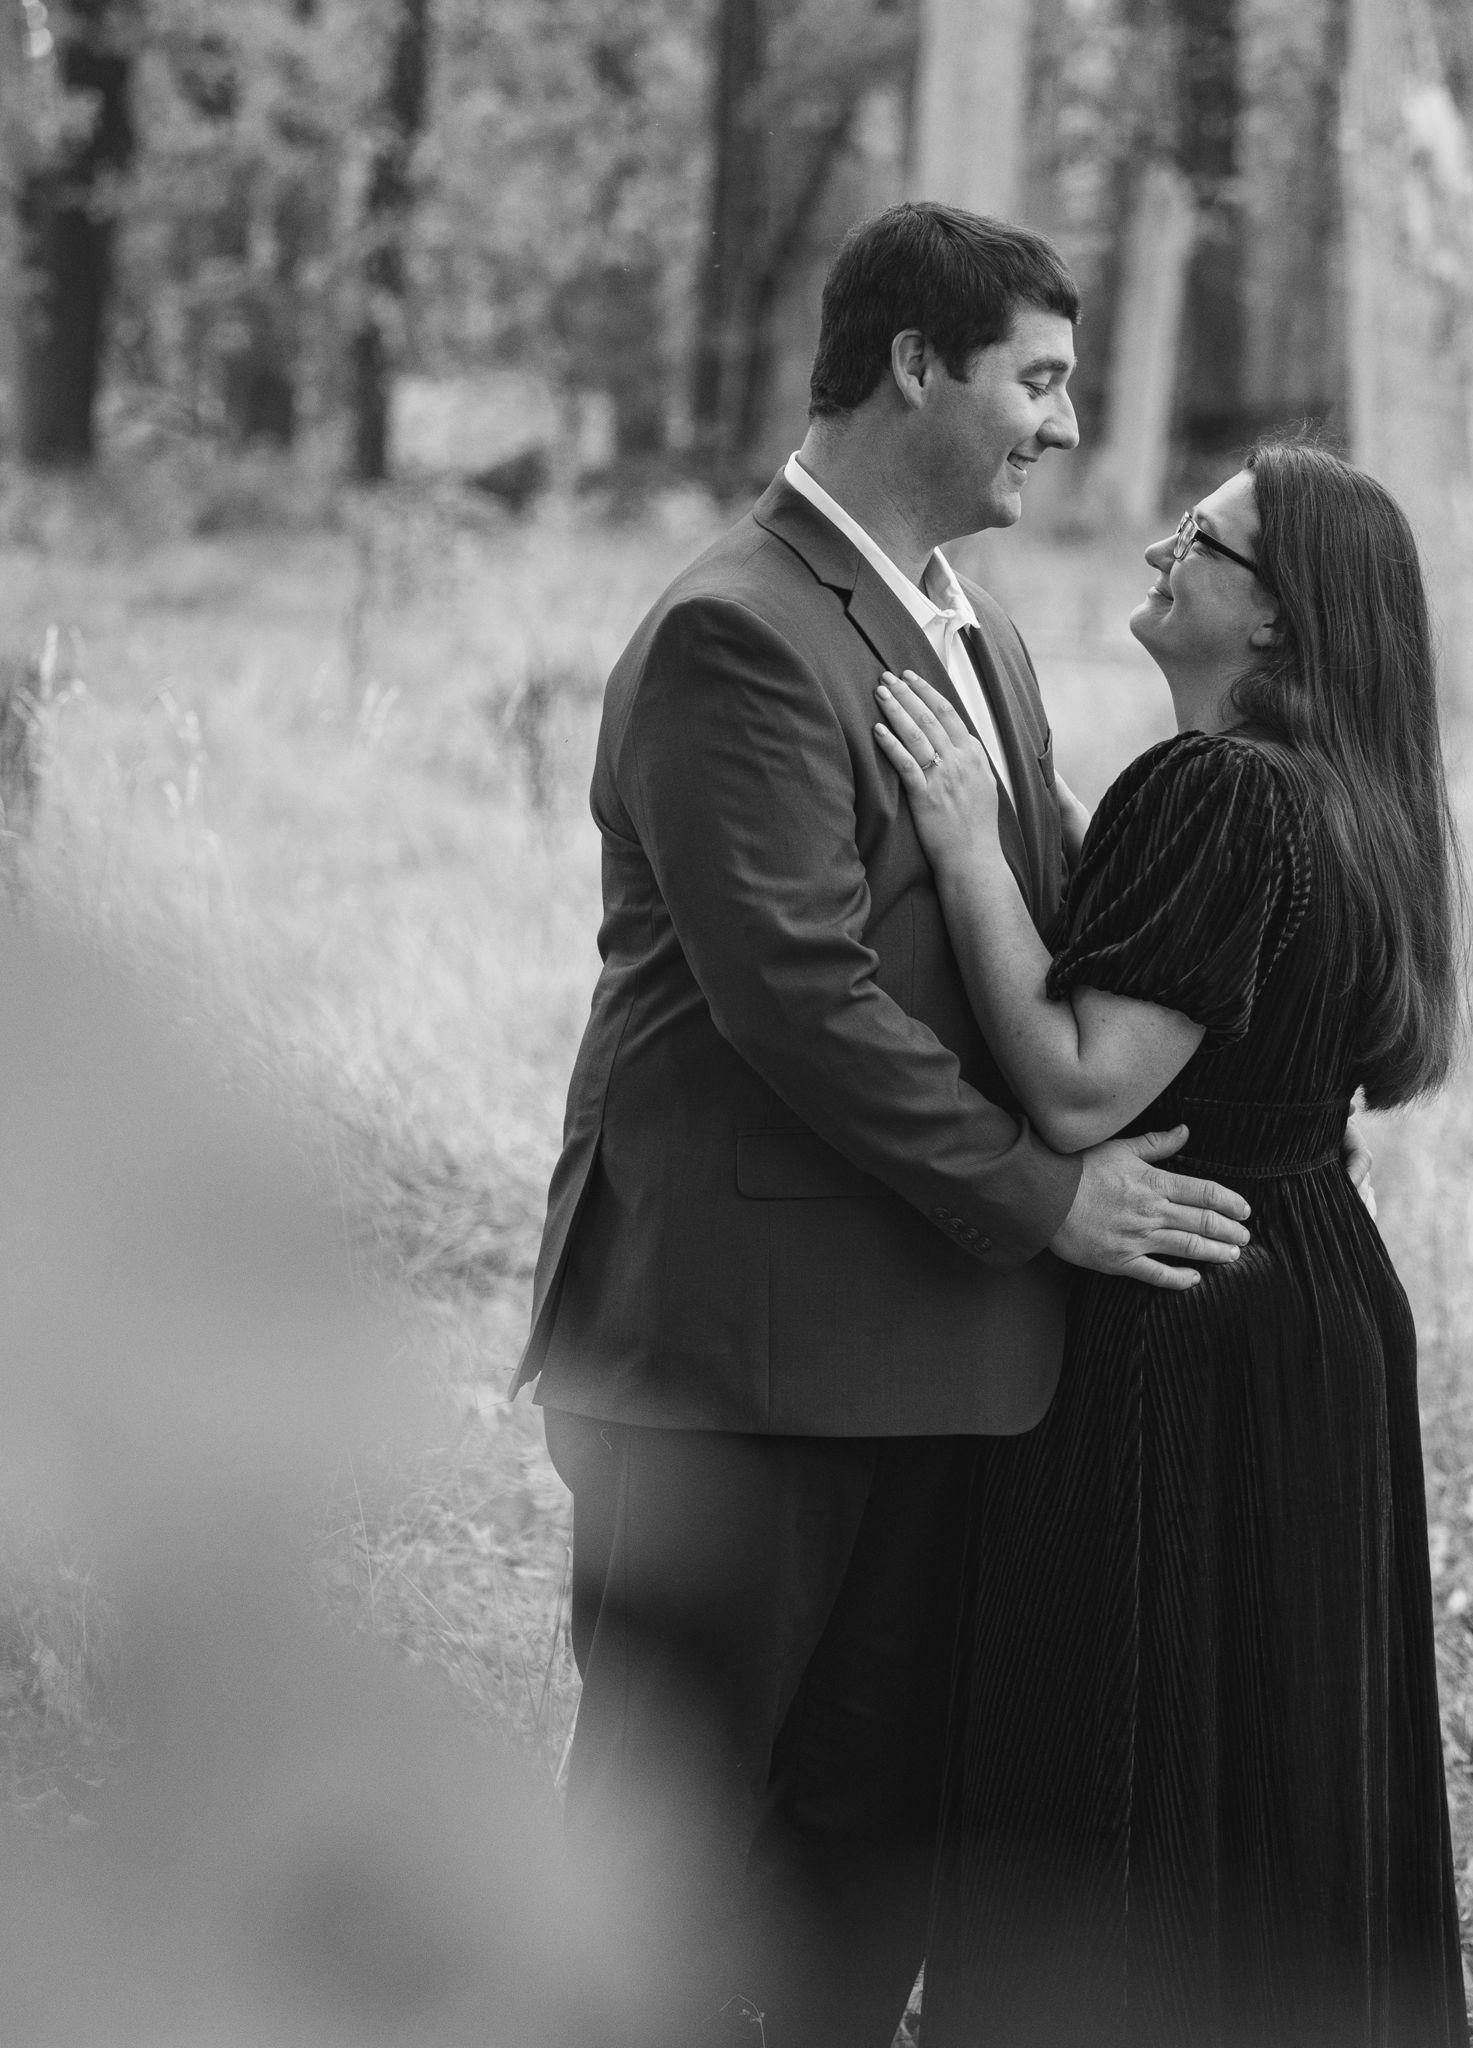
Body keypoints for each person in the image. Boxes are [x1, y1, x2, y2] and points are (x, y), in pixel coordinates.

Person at [508, 203, 1264, 2048]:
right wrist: (1047, 1199)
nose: (1064, 426)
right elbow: (802, 1000)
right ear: (916, 365)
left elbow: (1048, 917)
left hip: (938, 1355)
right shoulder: (738, 631)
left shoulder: (972, 624)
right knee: (665, 1854)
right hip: (736, 1363)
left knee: (867, 1847)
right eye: (1038, 379)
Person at [875, 438, 1472, 2047]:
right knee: (1278, 1761)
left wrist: (965, 849)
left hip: (1183, 1296)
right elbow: (1190, 961)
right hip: (1314, 1283)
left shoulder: (1222, 790)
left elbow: (1080, 1086)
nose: (1159, 549)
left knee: (1125, 1760)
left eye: (1201, 540)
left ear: (1276, 616)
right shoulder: (1347, 793)